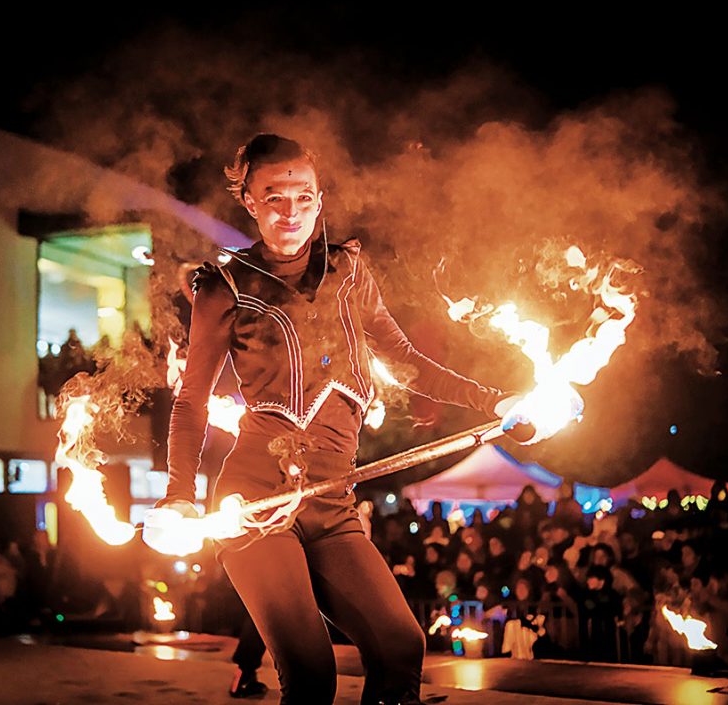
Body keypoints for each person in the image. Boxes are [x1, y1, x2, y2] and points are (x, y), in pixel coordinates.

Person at [154, 133, 520, 704]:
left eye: (304, 196)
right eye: (274, 197)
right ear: (248, 200)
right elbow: (191, 401)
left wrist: (496, 401)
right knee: (311, 673)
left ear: (320, 198)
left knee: (401, 647)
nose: (290, 211)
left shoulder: (350, 272)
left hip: (333, 504)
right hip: (256, 505)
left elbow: (406, 361)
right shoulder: (223, 286)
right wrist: (178, 493)